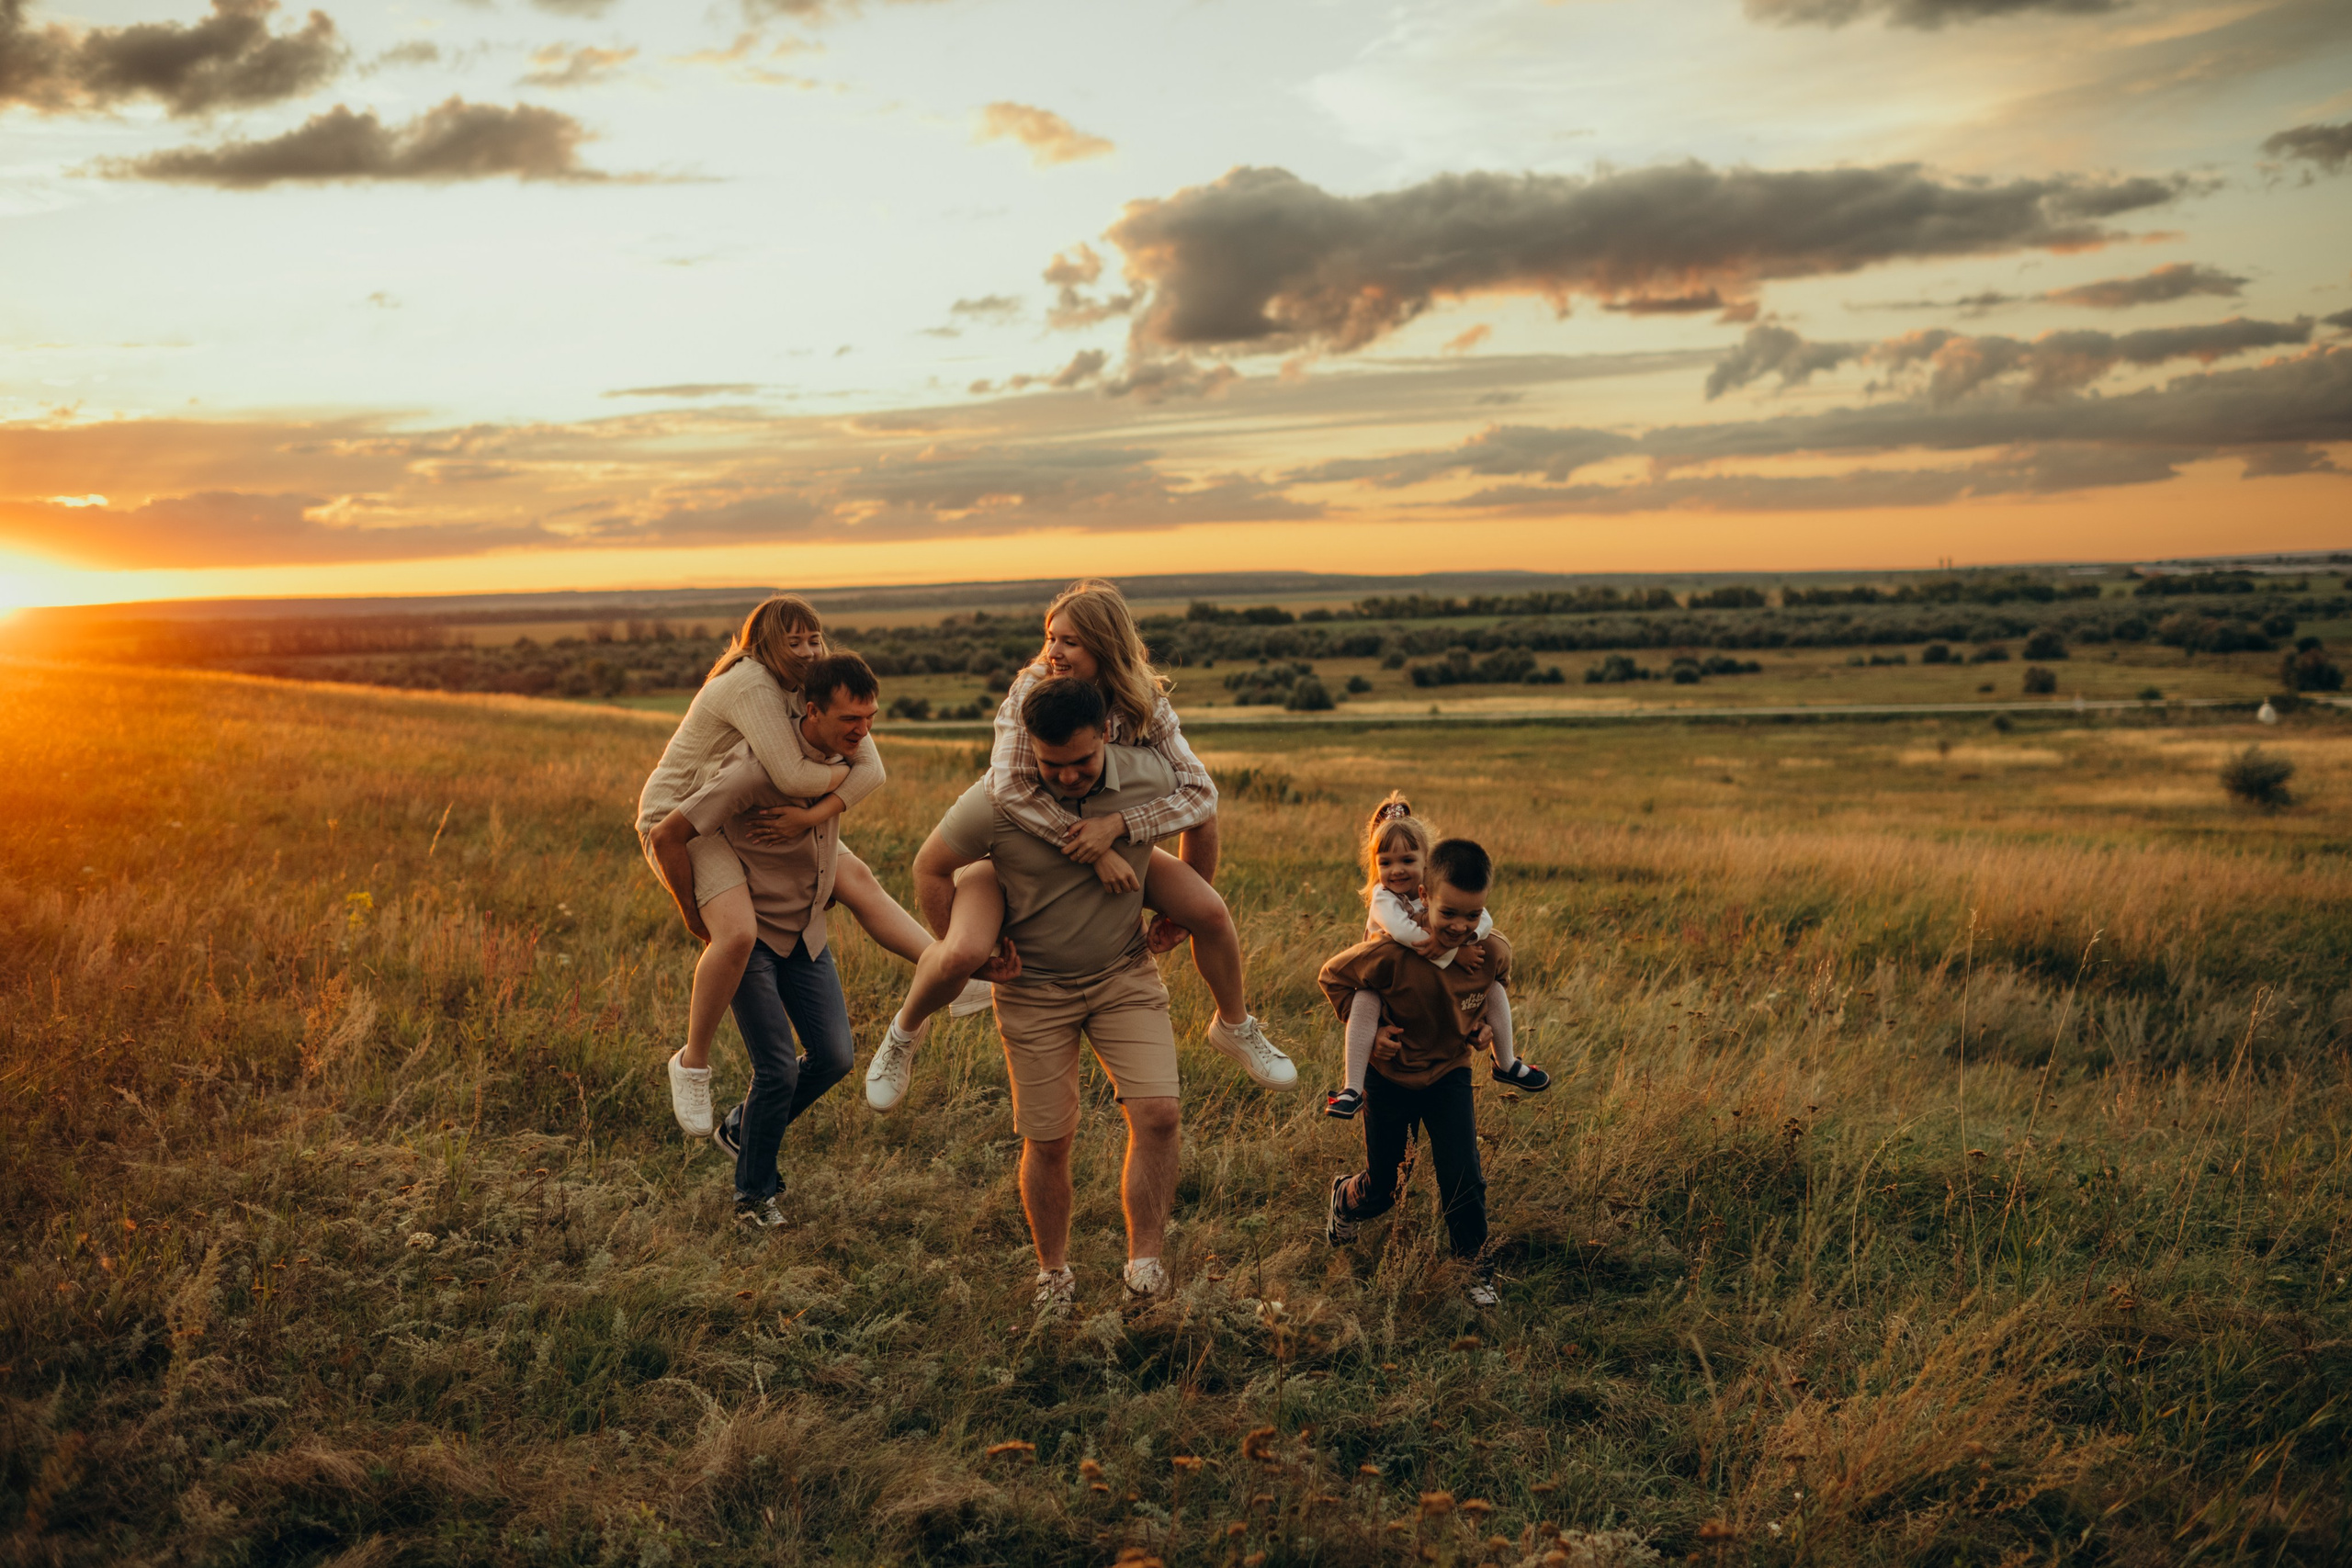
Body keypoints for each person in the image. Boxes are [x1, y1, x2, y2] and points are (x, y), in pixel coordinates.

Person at [865, 580, 1295, 1111]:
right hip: (1023, 840)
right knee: (962, 952)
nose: (1054, 652)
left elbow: (1199, 792)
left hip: (1112, 826)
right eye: (1051, 638)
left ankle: (1235, 1025)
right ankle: (904, 1034)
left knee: (1208, 910)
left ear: (1105, 645)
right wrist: (1095, 847)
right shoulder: (1032, 692)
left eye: (1069, 641)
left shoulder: (1142, 699)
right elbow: (1012, 787)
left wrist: (1119, 828)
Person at [902, 676, 1191, 1314]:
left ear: (1106, 742)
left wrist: (1191, 899)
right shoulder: (998, 799)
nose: (1065, 776)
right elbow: (929, 865)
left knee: (1160, 1115)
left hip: (1124, 974)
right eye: (1050, 763)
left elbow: (1204, 805)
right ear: (1029, 748)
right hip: (1033, 990)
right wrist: (977, 951)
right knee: (1050, 1138)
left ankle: (1145, 1263)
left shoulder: (1147, 775)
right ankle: (1053, 1274)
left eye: (1081, 762)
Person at [645, 654, 927, 1227]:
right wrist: (693, 914)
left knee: (836, 1057)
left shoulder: (844, 767)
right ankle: (754, 1196)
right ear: (811, 709)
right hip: (754, 939)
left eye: (870, 719)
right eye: (851, 719)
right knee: (777, 1069)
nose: (862, 732)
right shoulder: (752, 773)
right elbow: (668, 832)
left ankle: (741, 1128)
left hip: (806, 932)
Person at [1319, 838, 1512, 1308]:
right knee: (1387, 1186)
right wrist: (1374, 1029)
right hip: (1389, 1078)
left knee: (1463, 1174)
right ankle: (1347, 1197)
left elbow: (1495, 984)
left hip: (1448, 1074)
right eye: (1450, 914)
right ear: (1425, 897)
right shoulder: (1390, 953)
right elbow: (1333, 978)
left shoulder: (1488, 950)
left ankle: (1472, 1266)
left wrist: (1484, 1025)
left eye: (1473, 915)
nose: (1461, 927)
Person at [1325, 794, 1544, 1120]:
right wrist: (1452, 952)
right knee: (1364, 1000)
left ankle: (1506, 1061)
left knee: (1494, 989)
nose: (1396, 871)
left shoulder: (1439, 894)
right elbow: (1403, 932)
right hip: (1389, 985)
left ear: (1428, 863)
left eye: (1407, 861)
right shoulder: (1383, 898)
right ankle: (1352, 1088)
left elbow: (1483, 920)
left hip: (1430, 986)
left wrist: (1467, 936)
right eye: (1385, 863)